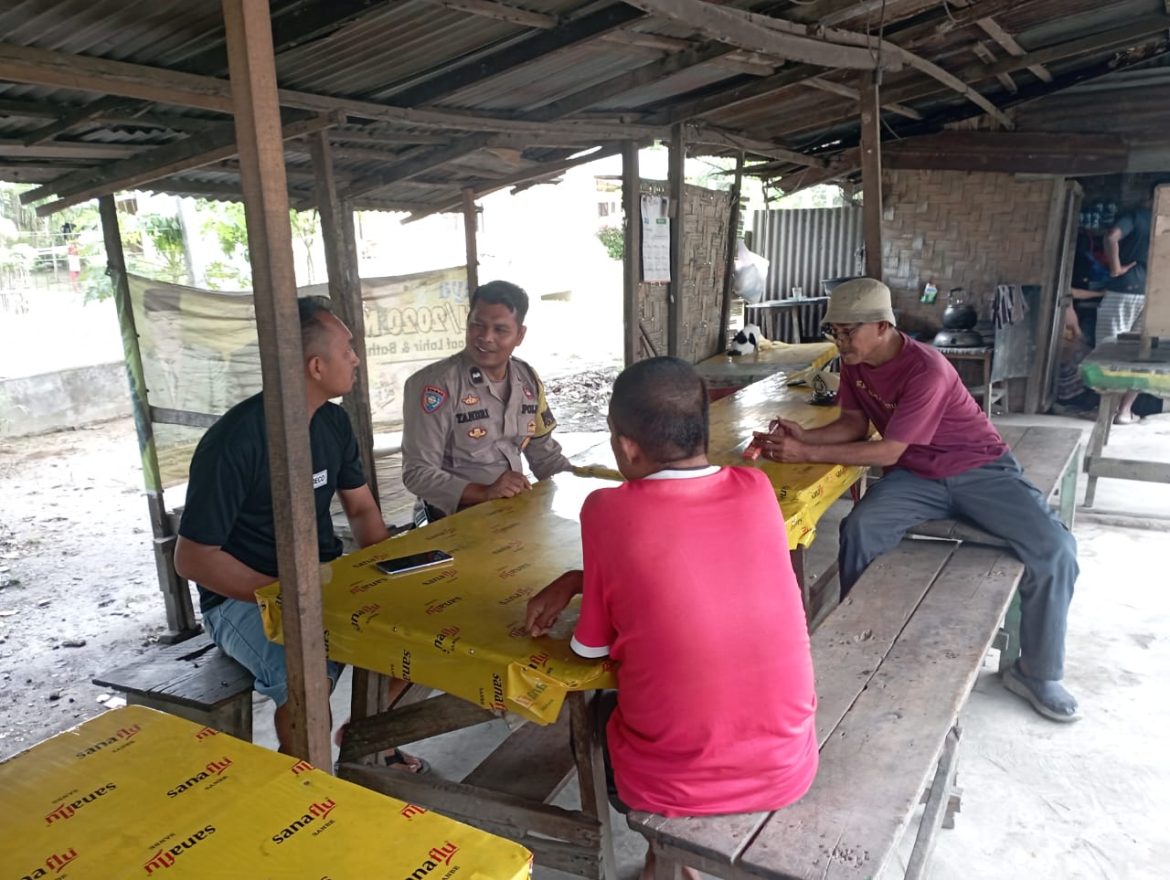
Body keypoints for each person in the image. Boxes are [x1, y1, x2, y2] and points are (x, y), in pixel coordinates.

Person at [525, 358, 818, 880]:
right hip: (787, 766)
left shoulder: (606, 510)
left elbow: (588, 650)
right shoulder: (755, 490)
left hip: (672, 784)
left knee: (596, 715)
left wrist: (581, 586)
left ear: (627, 445)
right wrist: (578, 579)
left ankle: (663, 860)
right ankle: (671, 862)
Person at [753, 278, 1080, 722]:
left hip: (978, 468)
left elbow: (887, 450)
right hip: (916, 476)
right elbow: (853, 424)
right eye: (836, 332)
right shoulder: (855, 361)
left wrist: (806, 452)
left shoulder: (927, 369)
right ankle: (865, 639)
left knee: (1056, 549)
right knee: (861, 529)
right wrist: (805, 436)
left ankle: (1037, 672)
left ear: (884, 327)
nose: (840, 341)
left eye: (849, 332)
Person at [175, 296, 424, 769]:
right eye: (347, 348)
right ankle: (309, 790)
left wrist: (394, 576)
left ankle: (371, 743)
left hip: (323, 578)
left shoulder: (332, 422)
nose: (355, 358)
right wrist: (285, 597)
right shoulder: (236, 441)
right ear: (315, 365)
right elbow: (193, 559)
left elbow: (364, 509)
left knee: (417, 635)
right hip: (239, 599)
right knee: (305, 676)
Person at [402, 280, 570, 520]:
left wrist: (583, 485)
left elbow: (546, 458)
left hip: (512, 516)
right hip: (448, 521)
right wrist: (484, 492)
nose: (486, 337)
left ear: (520, 335)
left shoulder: (528, 380)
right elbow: (417, 473)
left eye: (500, 330)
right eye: (477, 325)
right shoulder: (436, 386)